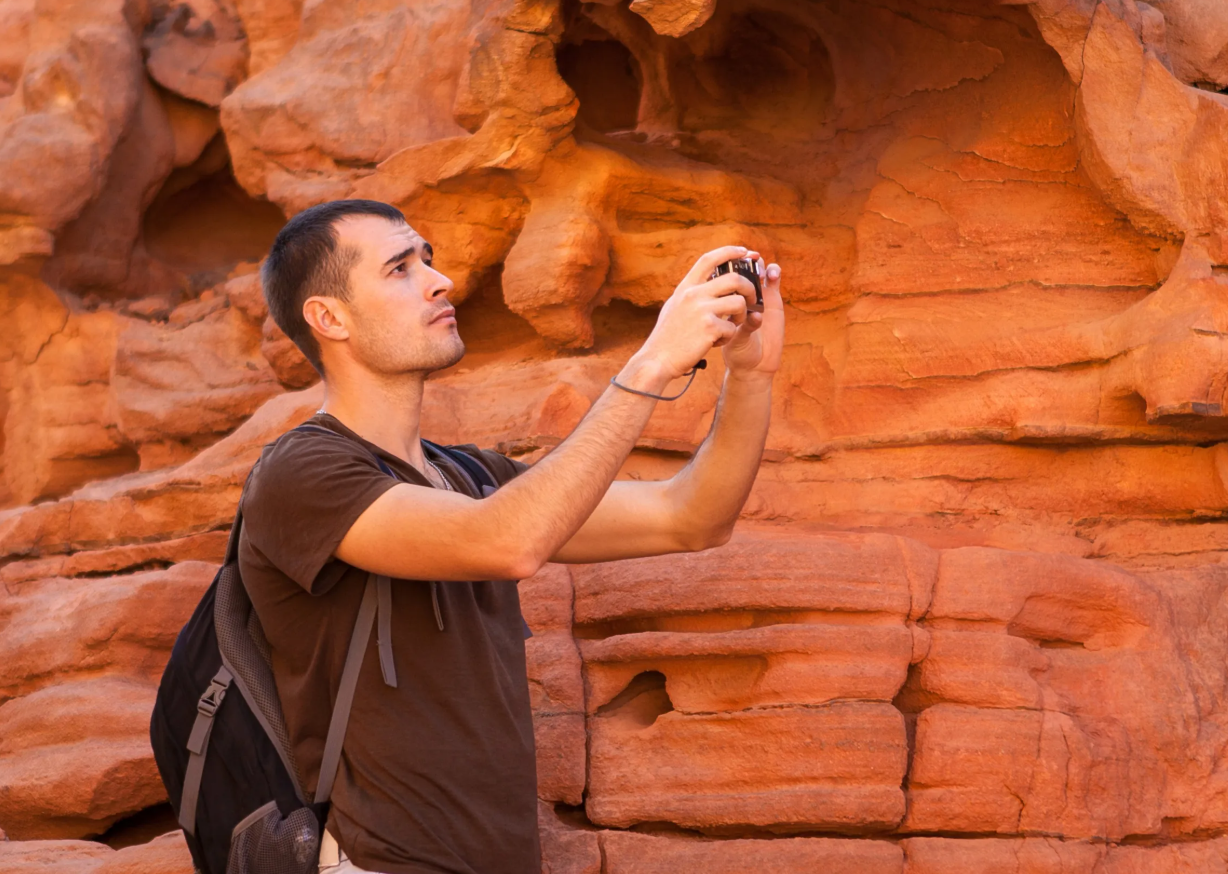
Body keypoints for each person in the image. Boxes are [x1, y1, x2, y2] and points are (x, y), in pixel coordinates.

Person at [238, 199, 784, 874]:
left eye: (428, 260)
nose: (440, 281)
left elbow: (692, 516)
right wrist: (649, 365)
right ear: (329, 318)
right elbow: (508, 541)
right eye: (400, 268)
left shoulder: (468, 476)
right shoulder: (300, 472)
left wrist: (752, 373)